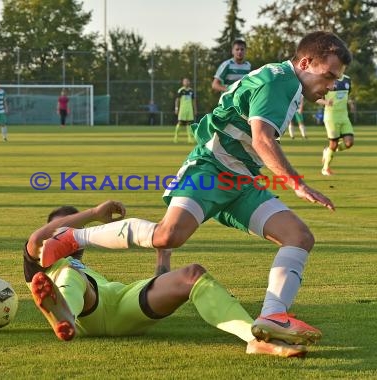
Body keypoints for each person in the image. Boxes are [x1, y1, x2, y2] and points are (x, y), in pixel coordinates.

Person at [39, 31, 352, 347]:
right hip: (211, 168)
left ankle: (271, 316)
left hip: (241, 180)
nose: (331, 85)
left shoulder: (287, 81)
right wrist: (296, 183)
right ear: (306, 62)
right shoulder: (280, 83)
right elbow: (261, 138)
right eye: (328, 76)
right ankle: (71, 237)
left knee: (299, 237)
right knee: (168, 235)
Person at [25, 200, 307, 357]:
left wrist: (164, 260)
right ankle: (64, 313)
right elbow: (38, 238)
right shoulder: (40, 266)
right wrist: (94, 214)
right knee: (71, 275)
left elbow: (159, 285)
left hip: (120, 302)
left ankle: (254, 338)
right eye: (65, 227)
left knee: (192, 275)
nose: (73, 231)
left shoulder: (83, 266)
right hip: (84, 310)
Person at [317, 74, 355, 176]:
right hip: (331, 117)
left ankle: (328, 150)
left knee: (349, 143)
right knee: (333, 144)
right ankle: (325, 169)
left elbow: (348, 95)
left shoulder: (347, 79)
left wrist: (351, 104)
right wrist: (326, 102)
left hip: (344, 117)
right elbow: (315, 98)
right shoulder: (327, 79)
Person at [173, 78, 197, 143]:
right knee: (180, 122)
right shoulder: (180, 90)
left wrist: (195, 109)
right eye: (185, 81)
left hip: (189, 110)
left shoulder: (191, 91)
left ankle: (189, 138)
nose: (186, 82)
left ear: (189, 82)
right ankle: (176, 137)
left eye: (187, 81)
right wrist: (176, 108)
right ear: (183, 83)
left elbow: (194, 101)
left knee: (189, 123)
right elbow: (177, 100)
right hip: (182, 109)